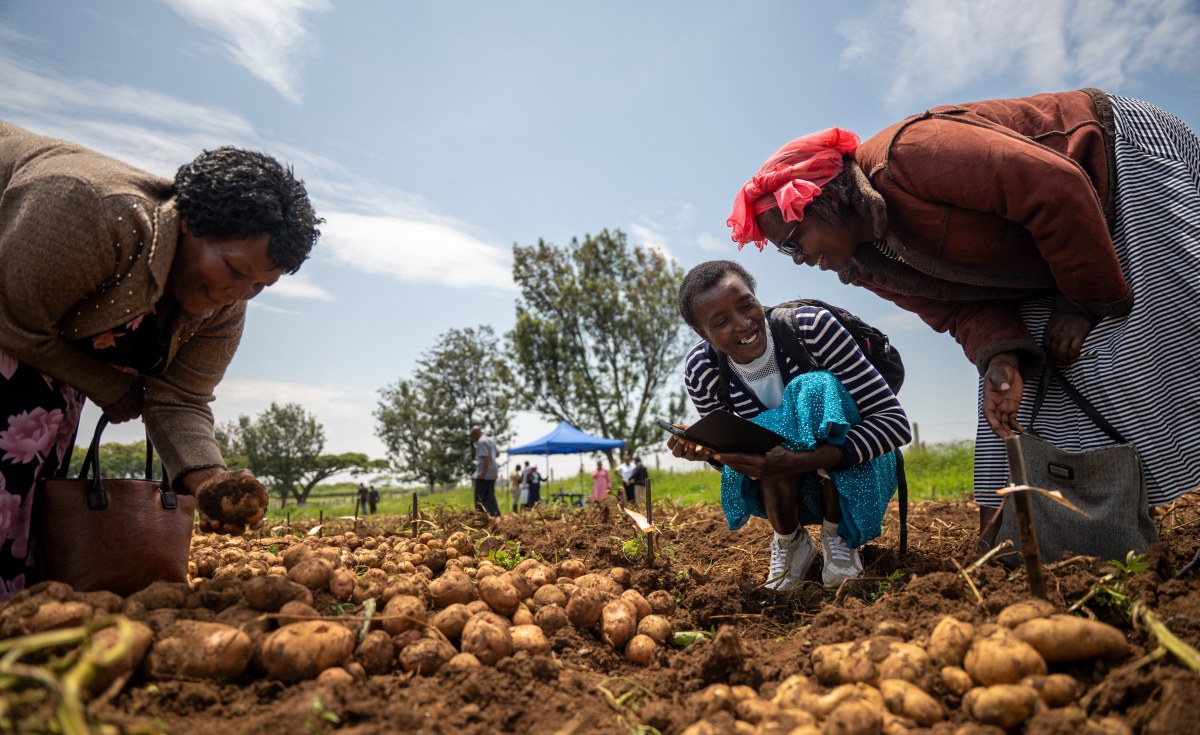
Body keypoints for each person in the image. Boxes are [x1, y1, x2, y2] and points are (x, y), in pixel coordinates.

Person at [727, 89, 1200, 549]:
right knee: (1025, 382)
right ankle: (1016, 543)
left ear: (825, 201)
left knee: (1161, 339)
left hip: (1116, 168)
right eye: (785, 251)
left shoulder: (909, 156)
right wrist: (1002, 357)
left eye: (794, 241)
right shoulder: (865, 265)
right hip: (1045, 256)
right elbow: (958, 306)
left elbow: (1056, 186)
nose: (797, 258)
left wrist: (1080, 304)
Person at [0, 120, 322, 599]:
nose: (237, 292)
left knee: (26, 493)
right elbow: (12, 319)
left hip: (44, 362)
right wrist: (111, 388)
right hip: (11, 327)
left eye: (259, 285)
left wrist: (208, 479)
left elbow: (181, 397)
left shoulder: (225, 309)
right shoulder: (92, 211)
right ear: (190, 222)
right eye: (233, 269)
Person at [670, 261, 911, 589]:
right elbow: (739, 457)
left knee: (813, 388)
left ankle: (838, 536)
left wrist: (799, 460)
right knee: (758, 432)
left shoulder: (811, 329)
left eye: (746, 305)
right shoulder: (703, 370)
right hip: (784, 486)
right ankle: (791, 542)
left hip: (859, 469)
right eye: (721, 322)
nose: (743, 324)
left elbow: (895, 425)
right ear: (703, 333)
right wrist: (709, 450)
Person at [469, 426, 501, 516]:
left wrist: (482, 473)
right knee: (489, 494)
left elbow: (485, 458)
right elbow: (497, 454)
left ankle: (481, 515)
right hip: (493, 470)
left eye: (473, 435)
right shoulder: (491, 440)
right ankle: (495, 513)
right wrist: (492, 459)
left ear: (476, 433)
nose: (473, 437)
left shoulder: (481, 442)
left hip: (485, 472)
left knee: (479, 495)